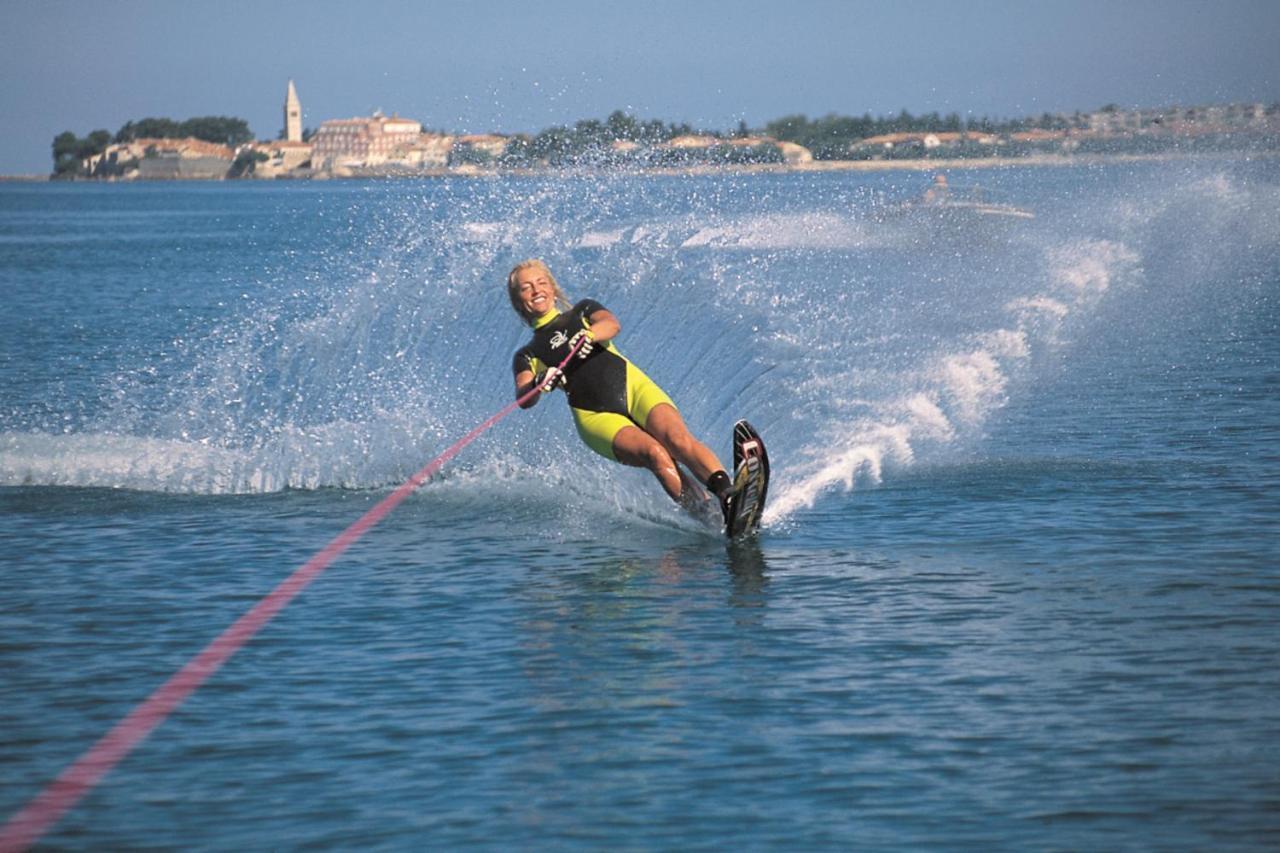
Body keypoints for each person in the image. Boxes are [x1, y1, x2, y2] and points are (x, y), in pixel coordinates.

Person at [506, 258, 733, 519]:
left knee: (677, 440)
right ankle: (708, 516)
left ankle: (727, 494)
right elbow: (524, 397)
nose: (536, 290)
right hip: (595, 416)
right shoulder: (527, 353)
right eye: (526, 288)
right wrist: (539, 381)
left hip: (633, 387)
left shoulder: (583, 310)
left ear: (553, 289)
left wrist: (590, 334)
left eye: (541, 282)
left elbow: (612, 324)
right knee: (655, 454)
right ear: (518, 301)